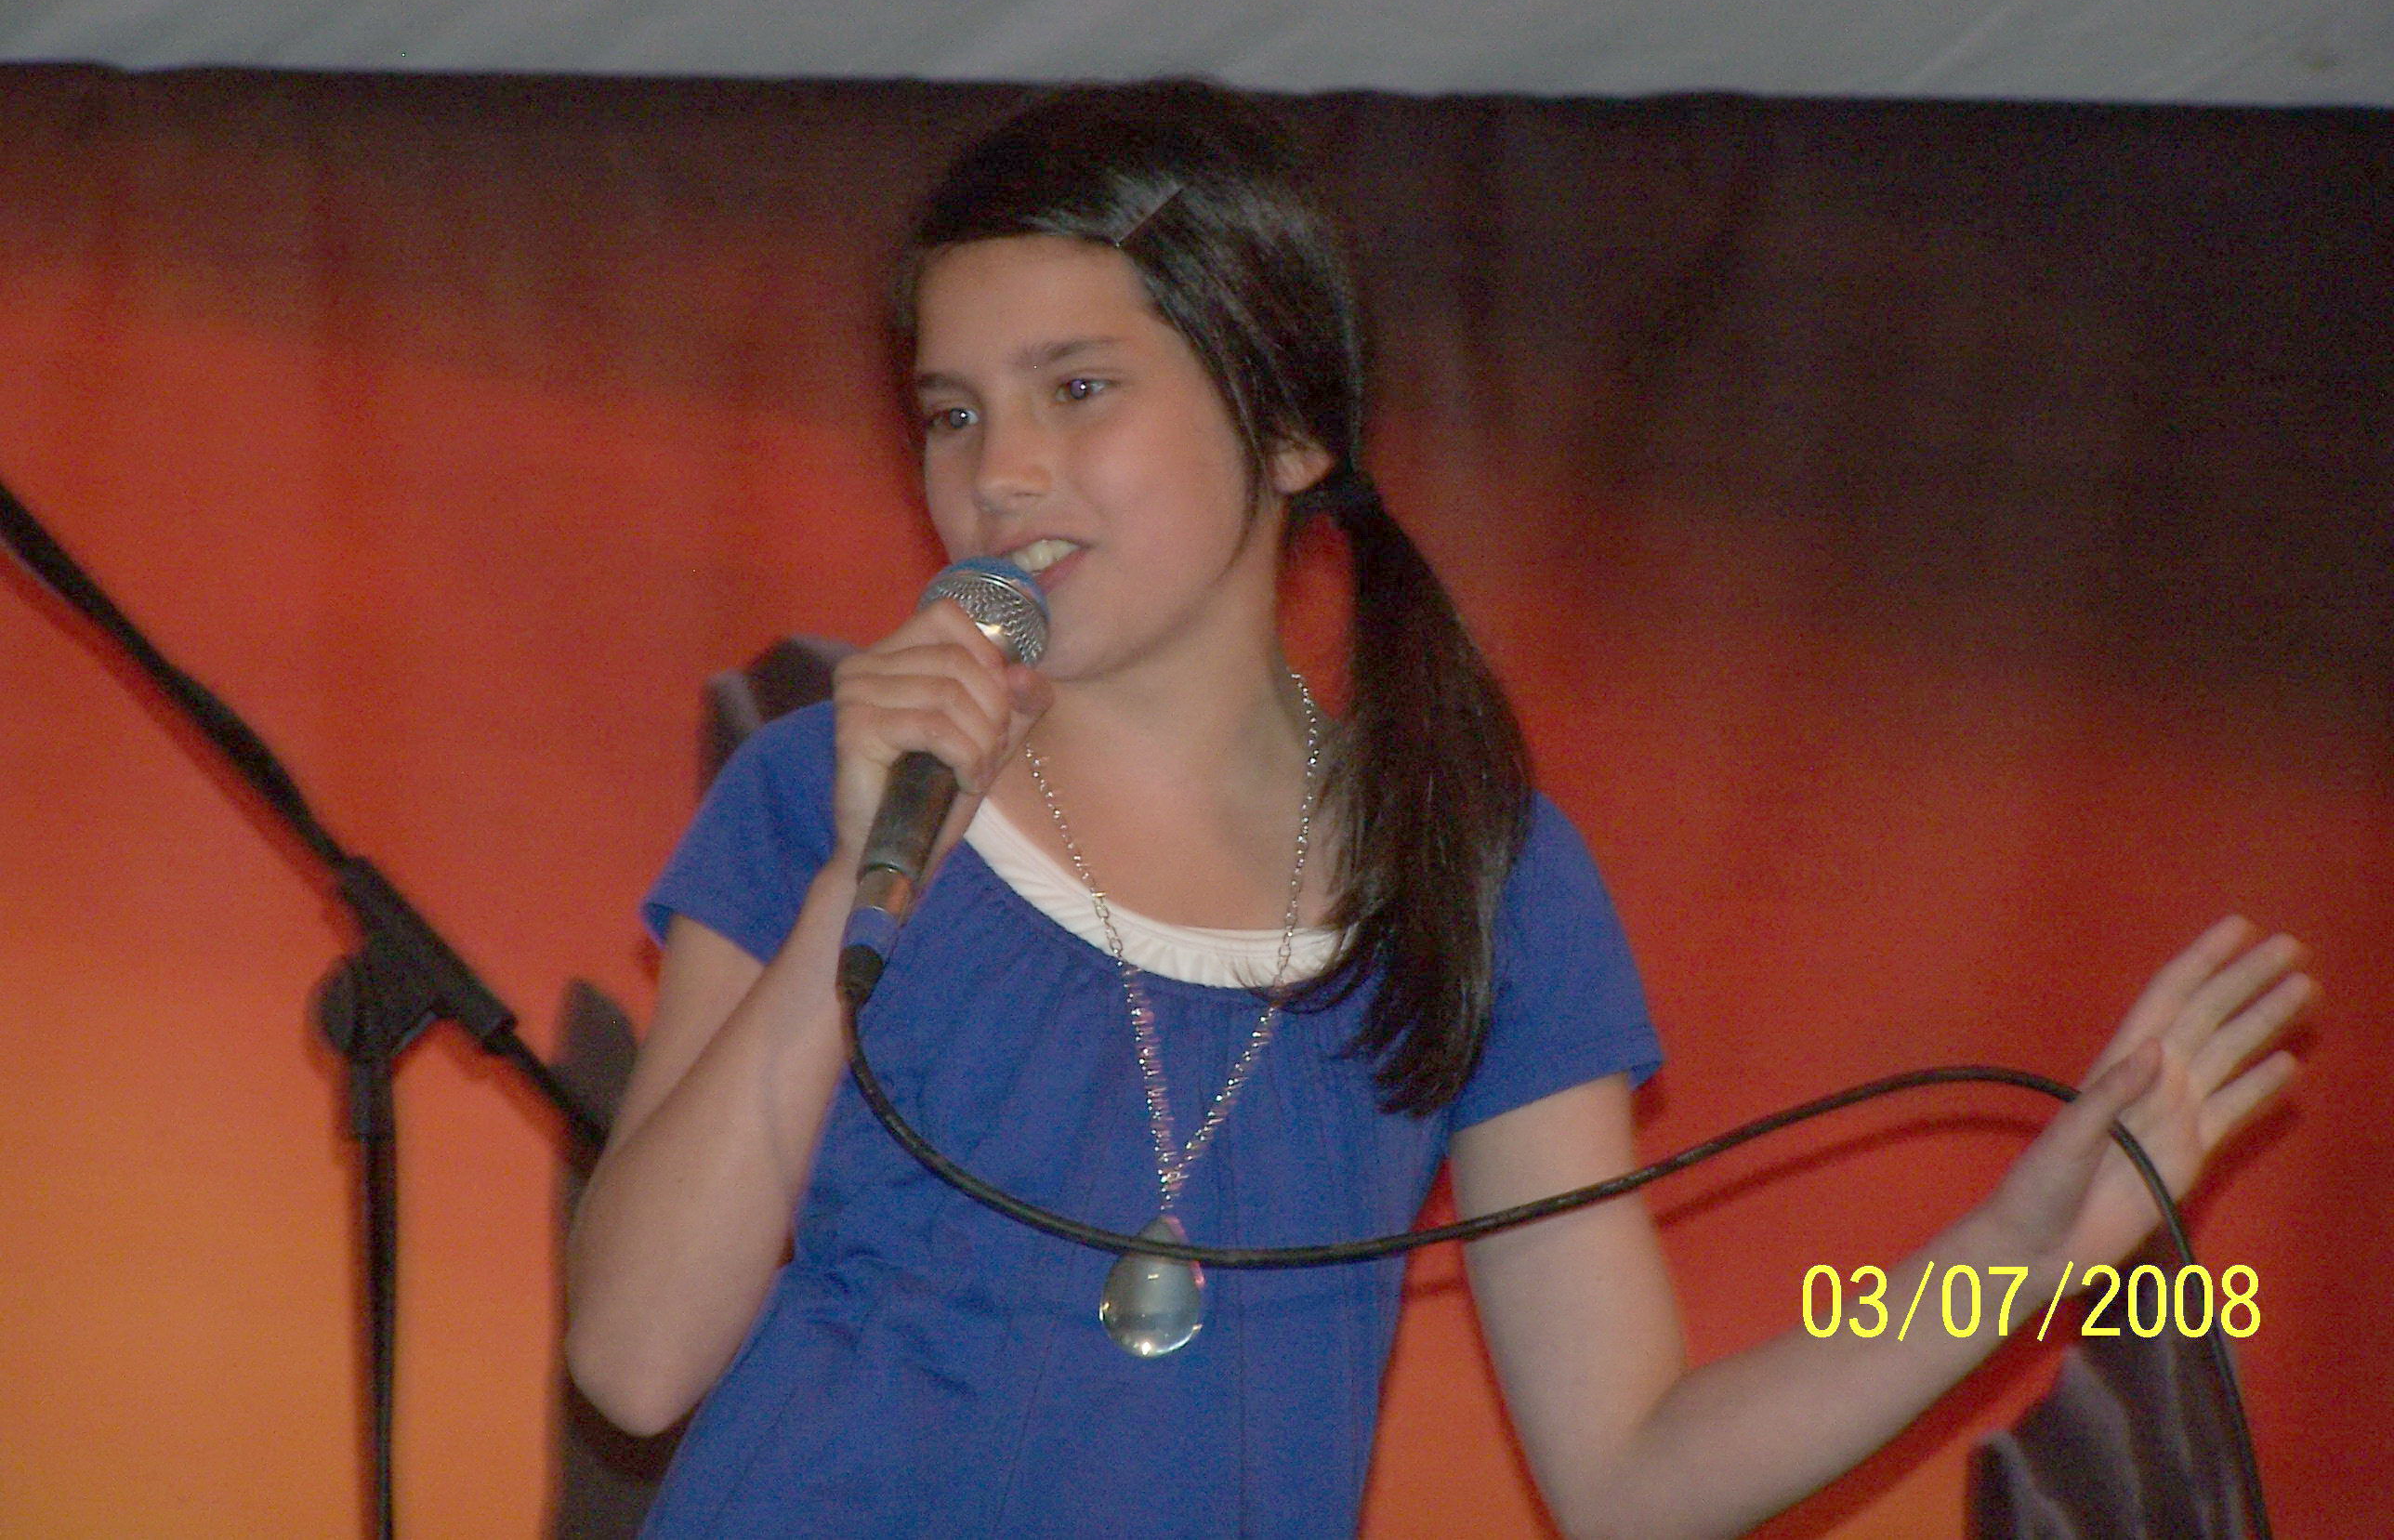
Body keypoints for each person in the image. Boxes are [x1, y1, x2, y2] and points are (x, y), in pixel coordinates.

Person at [564, 80, 2314, 1539]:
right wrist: (861, 879)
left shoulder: (1473, 876)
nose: (999, 471)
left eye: (1078, 389)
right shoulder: (820, 793)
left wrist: (2012, 1256)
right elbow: (634, 1363)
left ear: (1291, 428)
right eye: (952, 413)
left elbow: (1633, 1472)